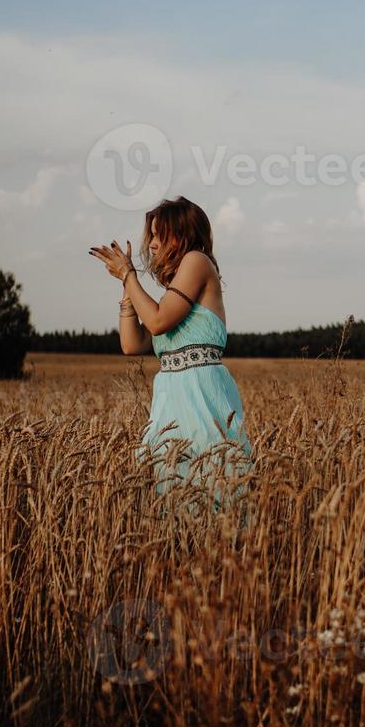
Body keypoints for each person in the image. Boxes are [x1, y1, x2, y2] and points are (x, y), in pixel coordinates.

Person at [90, 196, 252, 516]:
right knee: (172, 495)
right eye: (150, 235)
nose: (150, 244)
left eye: (158, 234)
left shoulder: (197, 260)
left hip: (202, 397)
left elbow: (158, 321)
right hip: (171, 399)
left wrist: (129, 277)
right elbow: (132, 344)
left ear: (181, 234)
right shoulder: (173, 288)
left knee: (211, 487)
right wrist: (127, 287)